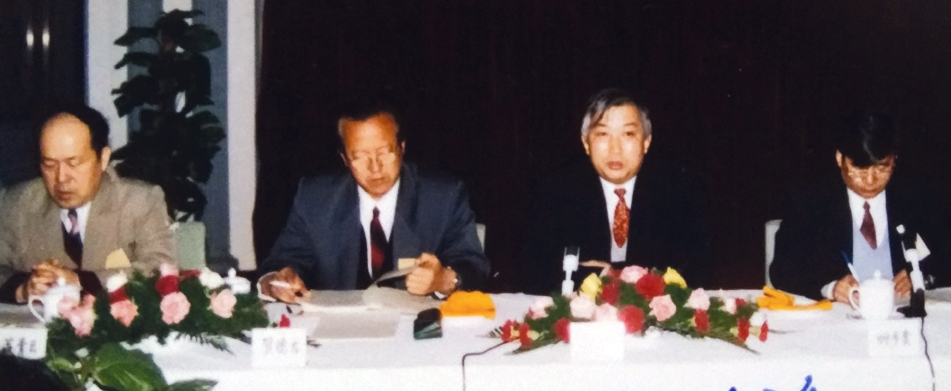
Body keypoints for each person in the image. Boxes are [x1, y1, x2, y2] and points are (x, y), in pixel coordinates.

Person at [258, 98, 489, 302]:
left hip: (414, 328)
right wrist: (277, 281)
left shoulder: (442, 197)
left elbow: (473, 264)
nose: (375, 167)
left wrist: (445, 280)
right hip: (340, 328)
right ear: (344, 158)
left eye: (384, 152)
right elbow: (279, 263)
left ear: (402, 148)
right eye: (359, 157)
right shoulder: (316, 198)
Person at [519, 89, 709, 294]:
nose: (615, 149)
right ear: (586, 143)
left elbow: (699, 269)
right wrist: (600, 276)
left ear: (646, 142)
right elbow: (531, 272)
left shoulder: (679, 188)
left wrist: (615, 276)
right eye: (603, 134)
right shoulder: (557, 190)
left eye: (628, 134)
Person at [0, 103, 176, 303]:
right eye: (49, 164)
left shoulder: (140, 201)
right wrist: (21, 289)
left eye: (73, 163)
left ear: (103, 158)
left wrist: (82, 281)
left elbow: (160, 270)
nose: (61, 178)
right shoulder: (17, 203)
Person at [769, 111, 932, 303]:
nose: (870, 180)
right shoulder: (811, 201)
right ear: (840, 158)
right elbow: (782, 271)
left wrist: (922, 277)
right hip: (838, 314)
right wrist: (831, 288)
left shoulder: (914, 197)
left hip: (903, 310)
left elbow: (950, 259)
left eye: (882, 168)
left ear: (894, 160)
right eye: (859, 169)